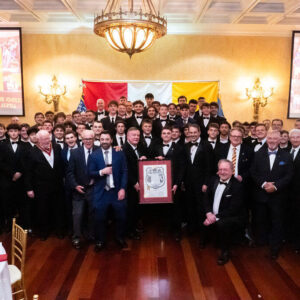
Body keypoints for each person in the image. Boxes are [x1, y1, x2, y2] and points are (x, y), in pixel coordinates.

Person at [250, 130, 293, 259]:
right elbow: (253, 172)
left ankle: (275, 247)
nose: (272, 141)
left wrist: (275, 186)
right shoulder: (258, 154)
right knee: (261, 220)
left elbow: (289, 175)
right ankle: (262, 241)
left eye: (275, 139)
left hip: (278, 196)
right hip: (261, 195)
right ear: (266, 139)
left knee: (277, 222)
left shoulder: (287, 156)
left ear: (280, 140)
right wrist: (263, 184)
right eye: (270, 138)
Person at [89, 130, 128, 251]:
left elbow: (125, 171)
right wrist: (102, 172)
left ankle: (119, 237)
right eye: (102, 139)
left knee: (121, 216)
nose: (105, 142)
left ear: (111, 140)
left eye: (107, 139)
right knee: (99, 218)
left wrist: (122, 188)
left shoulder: (119, 153)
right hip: (101, 192)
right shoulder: (93, 155)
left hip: (116, 191)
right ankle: (100, 241)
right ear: (99, 140)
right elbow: (89, 172)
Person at [203, 159, 246, 265]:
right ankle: (205, 239)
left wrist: (215, 217)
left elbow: (233, 209)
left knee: (223, 224)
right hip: (213, 213)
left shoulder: (238, 186)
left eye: (225, 170)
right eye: (220, 169)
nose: (222, 172)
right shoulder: (213, 180)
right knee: (199, 211)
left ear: (232, 171)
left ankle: (225, 252)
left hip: (231, 215)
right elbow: (206, 198)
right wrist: (208, 213)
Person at [25, 130, 65, 240]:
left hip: (57, 185)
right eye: (44, 139)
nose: (47, 141)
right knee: (43, 210)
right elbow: (28, 172)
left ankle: (59, 230)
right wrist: (29, 189)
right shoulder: (32, 152)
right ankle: (44, 231)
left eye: (48, 138)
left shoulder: (56, 147)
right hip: (41, 187)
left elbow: (61, 166)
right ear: (38, 140)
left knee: (58, 209)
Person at [153, 126, 185, 240]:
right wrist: (156, 159)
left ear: (172, 135)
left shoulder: (179, 148)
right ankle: (167, 229)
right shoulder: (156, 147)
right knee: (164, 206)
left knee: (176, 207)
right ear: (161, 135)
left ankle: (177, 231)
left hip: (173, 183)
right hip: (161, 183)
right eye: (164, 133)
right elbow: (150, 164)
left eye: (168, 133)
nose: (166, 135)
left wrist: (177, 183)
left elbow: (182, 168)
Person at [67, 130, 98, 249]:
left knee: (92, 214)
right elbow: (69, 172)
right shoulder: (75, 153)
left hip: (94, 189)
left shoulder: (98, 151)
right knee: (77, 214)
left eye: (90, 139)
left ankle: (91, 235)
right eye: (85, 139)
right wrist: (75, 185)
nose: (88, 141)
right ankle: (76, 237)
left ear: (94, 139)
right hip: (78, 190)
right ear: (82, 139)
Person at [183, 124, 213, 239]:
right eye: (191, 132)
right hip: (189, 183)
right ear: (188, 133)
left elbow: (209, 167)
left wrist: (206, 183)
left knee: (201, 208)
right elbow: (185, 166)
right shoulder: (186, 146)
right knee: (190, 206)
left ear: (200, 132)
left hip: (202, 184)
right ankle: (192, 228)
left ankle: (203, 233)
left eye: (195, 132)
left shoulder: (207, 146)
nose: (193, 134)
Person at [0, 124, 28, 231]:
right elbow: (1, 163)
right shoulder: (2, 145)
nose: (13, 133)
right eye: (11, 131)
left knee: (22, 204)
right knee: (8, 204)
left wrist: (19, 172)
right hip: (7, 180)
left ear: (19, 132)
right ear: (8, 132)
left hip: (21, 180)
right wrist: (12, 174)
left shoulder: (25, 145)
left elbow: (27, 162)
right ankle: (9, 227)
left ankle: (22, 226)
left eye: (16, 131)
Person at [122, 127, 148, 239]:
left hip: (141, 183)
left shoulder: (141, 147)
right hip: (130, 184)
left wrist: (145, 159)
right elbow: (125, 169)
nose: (136, 137)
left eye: (138, 135)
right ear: (127, 136)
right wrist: (134, 182)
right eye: (133, 135)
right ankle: (129, 231)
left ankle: (135, 227)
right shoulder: (123, 149)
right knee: (130, 208)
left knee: (137, 207)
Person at [288, 129, 300, 253]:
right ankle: (290, 239)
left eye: (298, 137)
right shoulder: (287, 152)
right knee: (290, 217)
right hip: (287, 192)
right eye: (293, 137)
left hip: (298, 192)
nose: (295, 139)